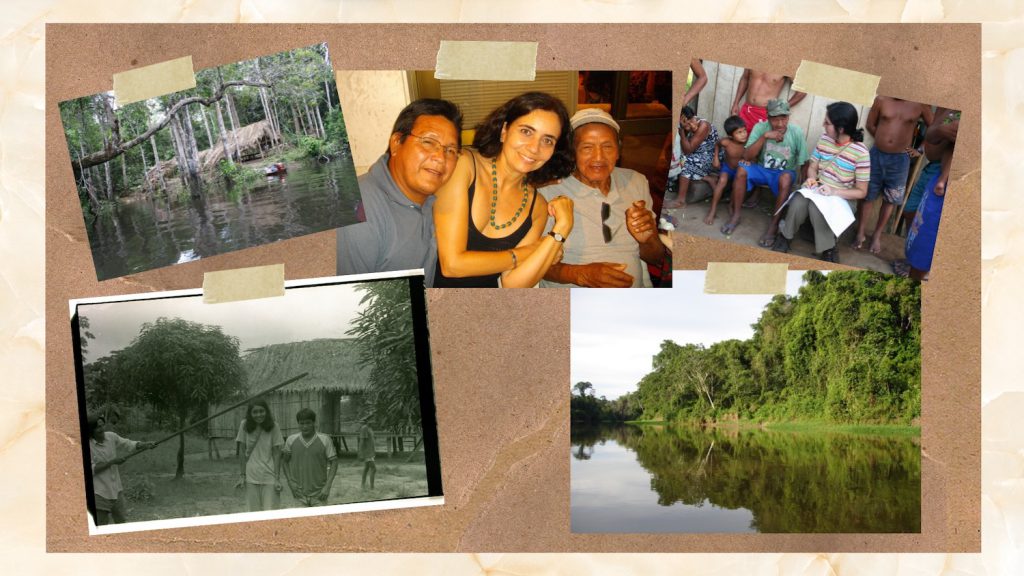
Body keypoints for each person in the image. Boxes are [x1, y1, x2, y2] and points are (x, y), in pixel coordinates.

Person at [433, 92, 575, 287]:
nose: (534, 148)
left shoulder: (537, 207)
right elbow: (452, 265)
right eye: (526, 131)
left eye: (548, 140)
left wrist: (562, 228)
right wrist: (530, 251)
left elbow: (513, 284)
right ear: (504, 131)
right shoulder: (464, 165)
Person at [336, 99, 463, 287]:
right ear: (396, 143)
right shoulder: (362, 209)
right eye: (428, 142)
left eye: (451, 150)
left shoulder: (429, 199)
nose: (440, 157)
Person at [539, 108, 667, 288]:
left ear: (618, 151)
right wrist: (580, 275)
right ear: (572, 152)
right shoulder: (547, 191)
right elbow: (531, 265)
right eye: (587, 147)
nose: (598, 157)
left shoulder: (636, 181)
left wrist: (648, 239)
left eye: (607, 146)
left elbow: (656, 257)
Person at [772, 101, 871, 263]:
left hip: (842, 196)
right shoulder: (825, 139)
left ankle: (828, 249)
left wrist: (833, 191)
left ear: (840, 128)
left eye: (827, 123)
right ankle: (785, 237)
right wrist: (811, 178)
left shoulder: (861, 152)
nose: (823, 125)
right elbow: (813, 167)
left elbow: (861, 192)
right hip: (818, 189)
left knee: (816, 208)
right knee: (797, 201)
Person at [854, 96, 934, 254]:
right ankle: (860, 232)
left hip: (900, 161)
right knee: (867, 196)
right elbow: (870, 124)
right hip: (876, 156)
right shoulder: (882, 99)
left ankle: (877, 235)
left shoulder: (920, 103)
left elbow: (933, 128)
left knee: (891, 199)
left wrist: (920, 149)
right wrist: (884, 139)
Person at [725, 99, 809, 242]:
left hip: (783, 173)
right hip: (762, 170)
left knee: (786, 178)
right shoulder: (760, 128)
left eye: (784, 118)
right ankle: (736, 215)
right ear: (768, 118)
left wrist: (804, 185)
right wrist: (764, 137)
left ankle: (773, 225)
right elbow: (747, 156)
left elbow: (804, 162)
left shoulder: (796, 132)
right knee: (742, 169)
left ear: (788, 117)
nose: (780, 124)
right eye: (775, 120)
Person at [904, 107, 958, 280]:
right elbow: (932, 135)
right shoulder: (952, 108)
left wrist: (943, 178)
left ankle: (921, 271)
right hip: (936, 173)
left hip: (945, 179)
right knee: (915, 220)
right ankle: (915, 265)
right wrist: (942, 130)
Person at [87, 414, 154, 525]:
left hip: (116, 490)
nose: (102, 429)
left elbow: (127, 443)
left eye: (102, 425)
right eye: (98, 427)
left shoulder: (111, 436)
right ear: (90, 430)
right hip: (98, 493)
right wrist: (112, 462)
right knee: (101, 524)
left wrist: (144, 445)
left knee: (122, 521)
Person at [663, 106, 719, 209]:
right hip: (695, 155)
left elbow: (688, 149)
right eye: (686, 123)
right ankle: (707, 178)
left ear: (693, 117)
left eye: (690, 120)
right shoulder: (687, 126)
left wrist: (682, 132)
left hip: (707, 158)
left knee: (684, 162)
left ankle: (680, 201)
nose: (691, 124)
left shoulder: (703, 125)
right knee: (673, 158)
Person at [235, 399, 284, 512]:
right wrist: (242, 476)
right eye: (255, 412)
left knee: (271, 512)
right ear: (250, 414)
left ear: (266, 412)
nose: (259, 415)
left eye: (261, 411)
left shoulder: (274, 426)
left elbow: (277, 453)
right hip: (251, 476)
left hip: (269, 476)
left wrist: (277, 478)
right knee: (253, 513)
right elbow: (242, 451)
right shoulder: (244, 425)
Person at [282, 408, 338, 507]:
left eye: (308, 423)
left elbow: (334, 462)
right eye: (301, 423)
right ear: (298, 424)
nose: (305, 426)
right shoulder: (291, 440)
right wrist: (290, 483)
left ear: (314, 423)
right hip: (298, 494)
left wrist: (327, 487)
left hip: (319, 494)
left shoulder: (325, 440)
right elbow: (285, 462)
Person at [730, 67, 807, 134]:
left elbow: (802, 90)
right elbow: (745, 78)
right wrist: (736, 103)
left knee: (758, 146)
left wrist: (784, 106)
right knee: (738, 144)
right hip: (746, 110)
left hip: (765, 114)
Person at [705, 115, 749, 226]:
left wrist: (750, 161)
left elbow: (753, 156)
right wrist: (716, 158)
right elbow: (717, 145)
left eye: (744, 131)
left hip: (740, 171)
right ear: (731, 135)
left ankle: (731, 205)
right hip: (727, 168)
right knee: (722, 181)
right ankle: (712, 210)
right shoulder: (726, 142)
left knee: (736, 185)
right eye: (739, 132)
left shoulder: (747, 144)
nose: (744, 134)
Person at [357, 418, 376, 491]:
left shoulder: (369, 428)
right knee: (374, 469)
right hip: (367, 452)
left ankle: (363, 485)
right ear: (368, 420)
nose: (374, 421)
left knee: (366, 468)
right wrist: (360, 453)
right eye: (372, 420)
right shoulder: (364, 428)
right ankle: (372, 488)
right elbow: (362, 442)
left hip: (371, 452)